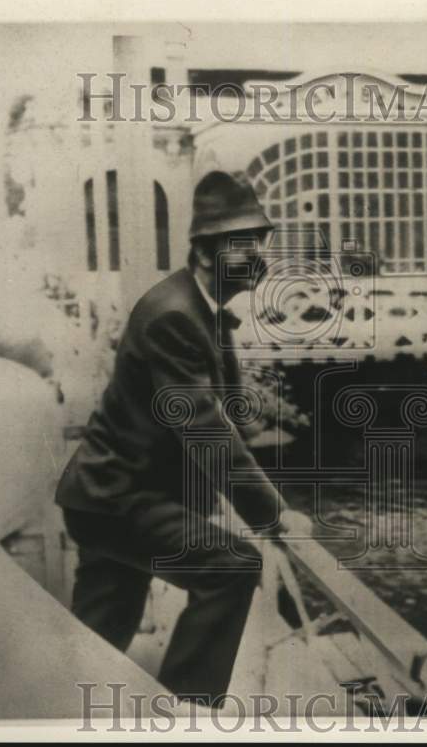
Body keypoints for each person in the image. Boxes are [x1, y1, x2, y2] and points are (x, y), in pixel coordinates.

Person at [55, 170, 311, 704]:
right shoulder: (175, 316)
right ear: (204, 253)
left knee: (94, 643)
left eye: (261, 243)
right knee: (233, 567)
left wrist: (265, 427)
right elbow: (204, 430)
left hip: (105, 495)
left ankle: (48, 714)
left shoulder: (201, 309)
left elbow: (226, 415)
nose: (260, 260)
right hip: (119, 499)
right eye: (245, 248)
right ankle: (187, 715)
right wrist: (274, 514)